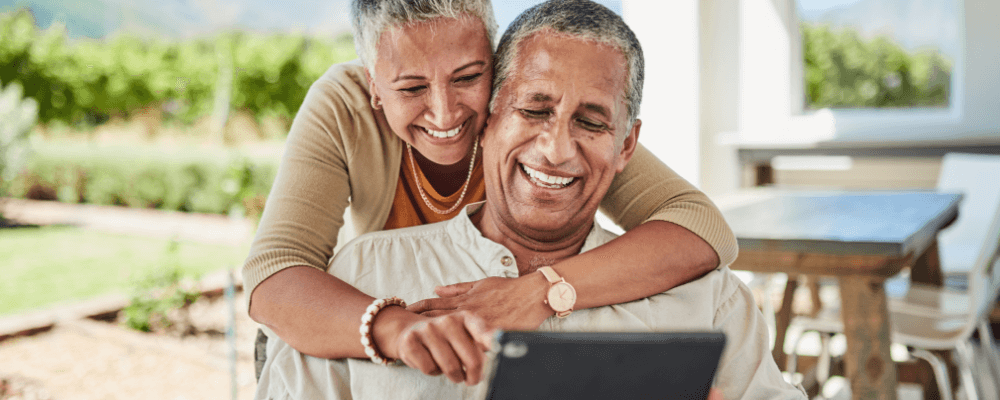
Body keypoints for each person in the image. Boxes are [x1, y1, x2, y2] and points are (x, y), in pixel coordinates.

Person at [254, 1, 806, 399]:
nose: (447, 115)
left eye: (467, 78)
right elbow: (275, 273)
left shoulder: (707, 302)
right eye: (534, 111)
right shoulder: (362, 268)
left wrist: (544, 291)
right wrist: (394, 328)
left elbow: (703, 228)